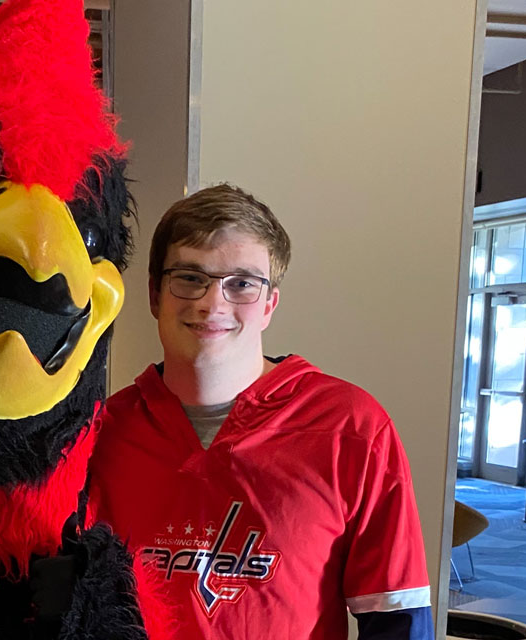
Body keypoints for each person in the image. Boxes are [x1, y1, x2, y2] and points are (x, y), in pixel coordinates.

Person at [89, 184, 433, 640]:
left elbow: (397, 620)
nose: (212, 303)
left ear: (269, 303)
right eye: (189, 277)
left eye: (242, 284)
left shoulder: (351, 428)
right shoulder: (102, 432)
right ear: (155, 295)